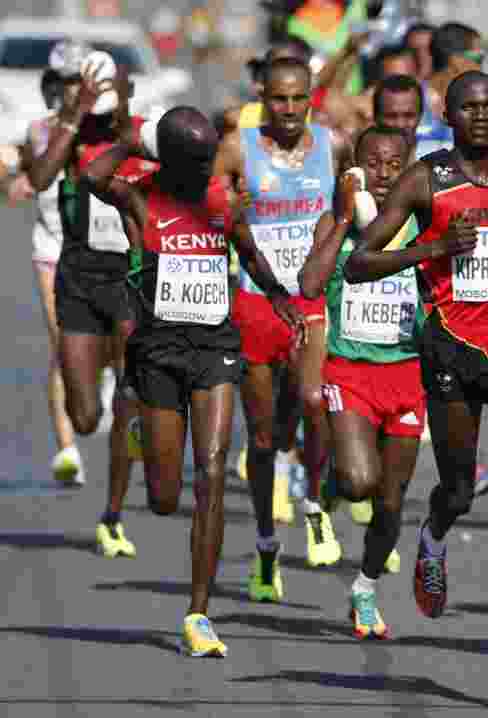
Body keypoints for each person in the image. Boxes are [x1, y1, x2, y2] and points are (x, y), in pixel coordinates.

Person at [345, 70, 488, 694]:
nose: (484, 116)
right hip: (453, 347)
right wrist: (434, 249)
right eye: (471, 107)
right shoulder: (426, 179)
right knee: (460, 488)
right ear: (450, 114)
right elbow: (360, 262)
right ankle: (434, 533)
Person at [82, 105, 304, 657]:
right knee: (162, 498)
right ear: (170, 158)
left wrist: (280, 298)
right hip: (157, 350)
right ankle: (142, 442)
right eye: (199, 160)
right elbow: (91, 177)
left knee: (208, 473)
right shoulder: (140, 196)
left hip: (214, 348)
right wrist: (135, 141)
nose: (210, 168)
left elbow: (250, 256)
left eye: (212, 159)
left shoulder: (221, 203)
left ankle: (199, 614)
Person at [214, 56, 346, 596]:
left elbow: (354, 205)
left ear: (311, 96)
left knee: (315, 402)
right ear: (262, 98)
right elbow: (208, 209)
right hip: (254, 304)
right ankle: (266, 546)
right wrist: (230, 210)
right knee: (266, 437)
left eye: (299, 98)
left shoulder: (333, 144)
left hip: (309, 299)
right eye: (279, 99)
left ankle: (314, 502)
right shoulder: (235, 147)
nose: (289, 109)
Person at [300, 125, 419, 638]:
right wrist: (346, 218)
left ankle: (365, 588)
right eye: (374, 164)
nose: (386, 174)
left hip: (408, 375)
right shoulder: (336, 221)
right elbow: (308, 284)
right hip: (350, 372)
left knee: (391, 504)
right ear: (355, 169)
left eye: (396, 165)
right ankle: (327, 486)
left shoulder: (423, 223)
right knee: (357, 482)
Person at [36, 52, 151, 558]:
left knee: (128, 397)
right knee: (84, 417)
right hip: (79, 277)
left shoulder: (142, 135)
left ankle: (113, 513)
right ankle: (107, 382)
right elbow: (40, 177)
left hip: (127, 280)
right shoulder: (71, 135)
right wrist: (76, 113)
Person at [7, 43, 89, 486]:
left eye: (79, 79)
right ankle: (67, 448)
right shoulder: (39, 130)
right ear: (54, 86)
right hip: (52, 247)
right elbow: (18, 171)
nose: (72, 89)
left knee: (103, 346)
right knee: (63, 344)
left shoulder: (103, 130)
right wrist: (13, 175)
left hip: (97, 250)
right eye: (65, 80)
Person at [415, 22, 483, 159]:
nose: (481, 67)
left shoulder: (480, 106)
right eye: (479, 58)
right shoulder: (410, 99)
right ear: (456, 60)